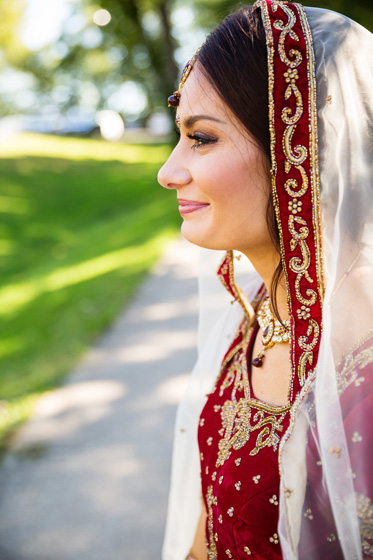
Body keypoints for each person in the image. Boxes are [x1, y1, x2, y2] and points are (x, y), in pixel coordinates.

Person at [157, 1, 373, 558]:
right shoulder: (257, 310)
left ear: (299, 149)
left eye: (201, 138)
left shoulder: (364, 376)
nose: (168, 171)